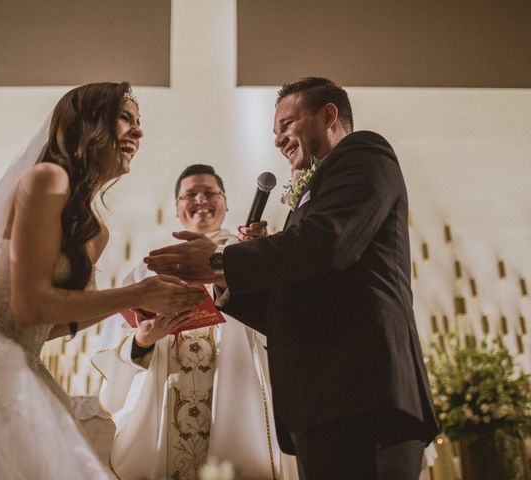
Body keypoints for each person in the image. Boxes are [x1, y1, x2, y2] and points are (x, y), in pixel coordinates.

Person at [0, 82, 205, 479]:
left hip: (24, 364)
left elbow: (46, 326)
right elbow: (30, 306)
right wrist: (137, 292)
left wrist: (142, 313)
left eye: (139, 122)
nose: (138, 132)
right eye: (125, 118)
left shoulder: (95, 232)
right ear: (87, 124)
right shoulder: (46, 179)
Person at [144, 77, 438, 479]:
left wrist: (219, 260)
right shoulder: (314, 195)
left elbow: (328, 243)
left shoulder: (364, 153)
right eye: (275, 132)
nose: (279, 139)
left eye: (287, 124)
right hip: (322, 400)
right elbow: (296, 300)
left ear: (329, 114)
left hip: (366, 390)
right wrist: (230, 279)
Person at [92, 164, 293, 479]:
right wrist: (143, 340)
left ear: (225, 203)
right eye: (190, 195)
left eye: (210, 193)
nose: (201, 199)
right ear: (176, 209)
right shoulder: (149, 269)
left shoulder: (248, 257)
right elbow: (121, 343)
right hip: (164, 410)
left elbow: (278, 324)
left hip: (237, 402)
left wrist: (253, 262)